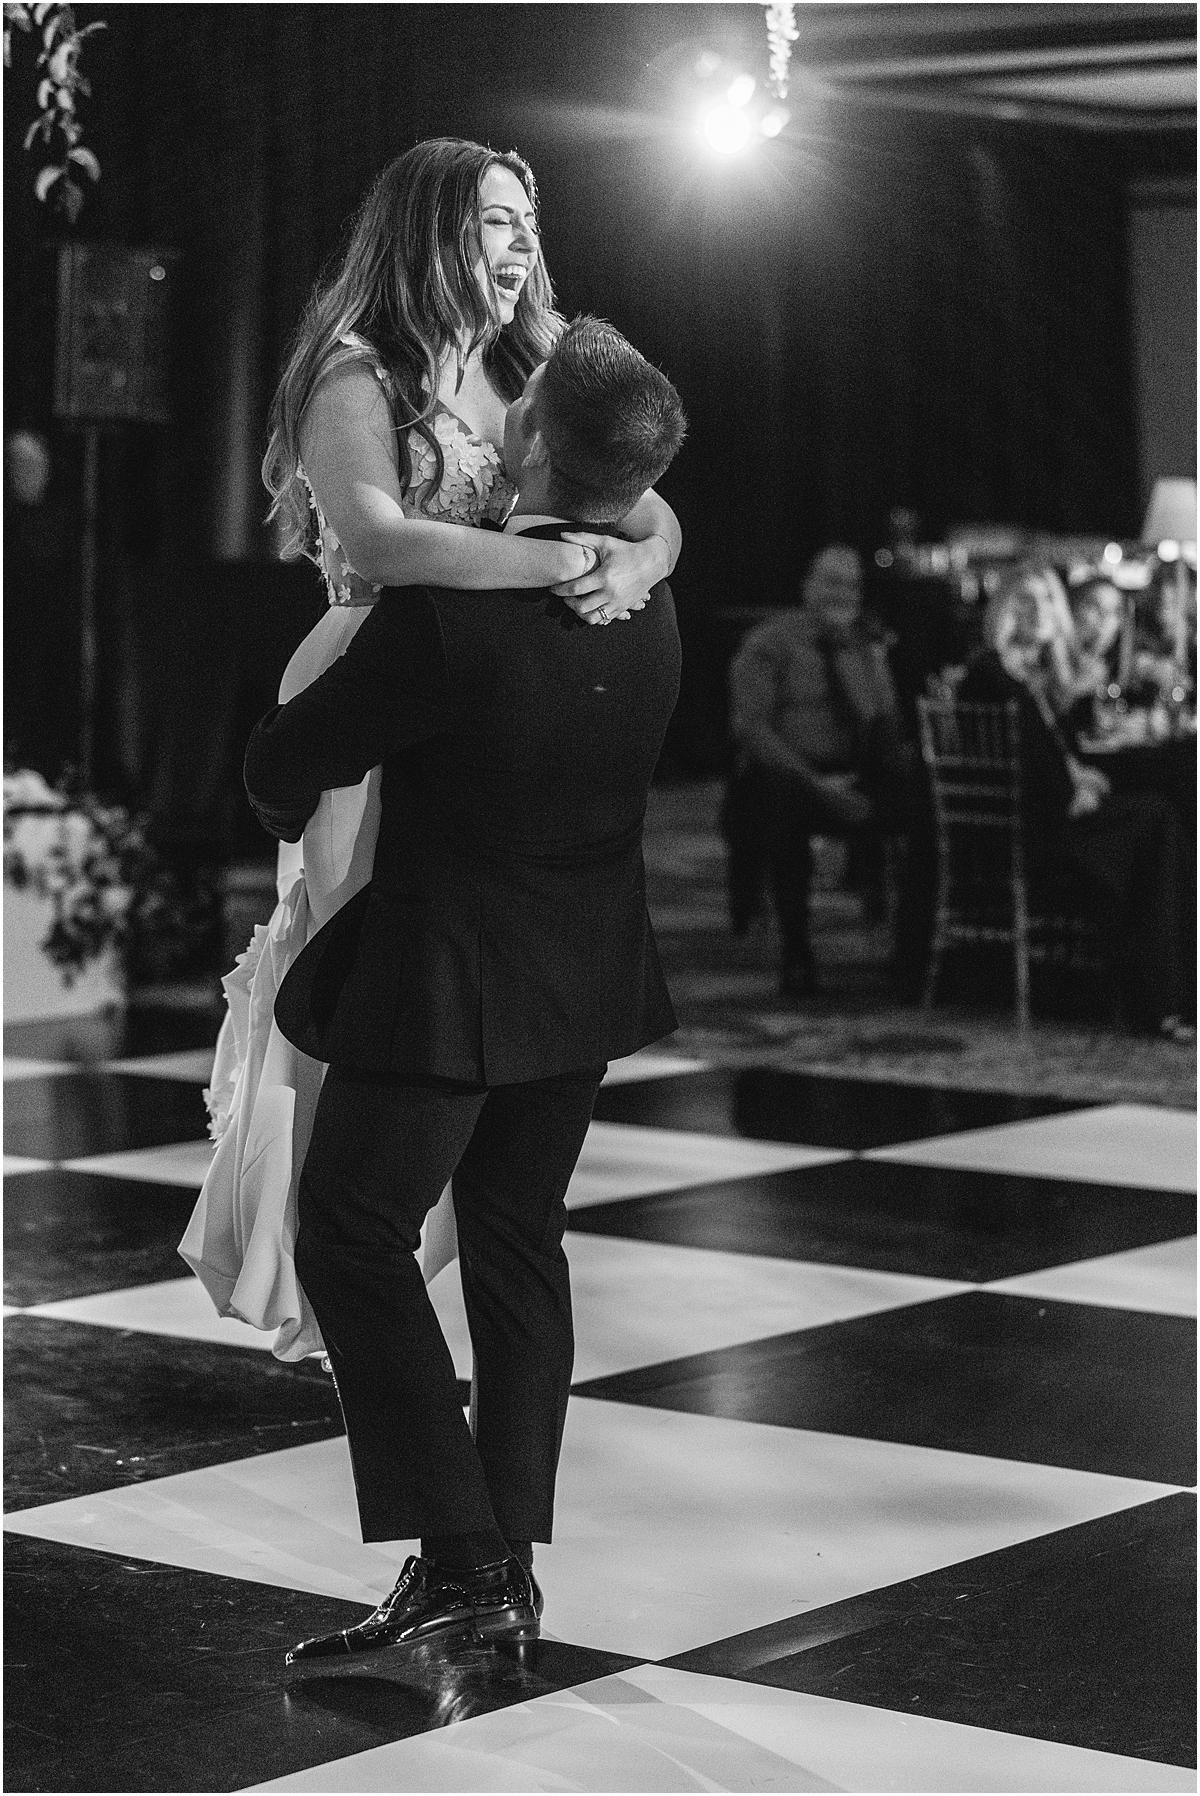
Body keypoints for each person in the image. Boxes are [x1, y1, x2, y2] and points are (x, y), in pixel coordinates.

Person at [180, 139, 681, 1357]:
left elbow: (643, 486)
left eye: (527, 223)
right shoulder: (358, 372)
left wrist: (643, 555)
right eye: (497, 223)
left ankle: (439, 1261)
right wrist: (560, 561)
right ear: (428, 233)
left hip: (493, 704)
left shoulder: (535, 361)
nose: (521, 248)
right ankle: (333, 1255)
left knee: (476, 981)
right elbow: (384, 539)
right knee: (379, 982)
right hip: (371, 678)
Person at [242, 315, 686, 1665]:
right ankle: (506, 1573)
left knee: (353, 1235)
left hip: (446, 983)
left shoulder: (451, 618)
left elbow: (285, 763)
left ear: (538, 441)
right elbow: (641, 526)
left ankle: (467, 1563)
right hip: (588, 975)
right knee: (517, 1244)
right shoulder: (650, 600)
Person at [959, 569, 1192, 1041]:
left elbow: (1051, 753)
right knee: (1161, 824)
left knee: (1165, 815)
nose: (1040, 608)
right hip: (1030, 835)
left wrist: (1076, 775)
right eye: (1025, 599)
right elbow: (1026, 769)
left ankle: (1165, 993)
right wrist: (1073, 788)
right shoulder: (992, 675)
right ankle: (1161, 999)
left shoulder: (1025, 675)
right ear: (1004, 609)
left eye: (1048, 598)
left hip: (1051, 820)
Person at [726, 544, 912, 998]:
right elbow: (750, 730)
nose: (842, 594)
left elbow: (885, 725)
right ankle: (797, 951)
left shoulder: (868, 645)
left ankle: (914, 950)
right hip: (786, 776)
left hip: (854, 772)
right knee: (779, 799)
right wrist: (817, 785)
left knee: (925, 801)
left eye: (851, 585)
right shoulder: (769, 643)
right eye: (831, 582)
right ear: (807, 585)